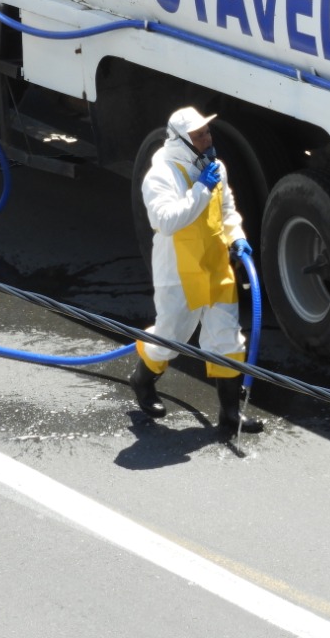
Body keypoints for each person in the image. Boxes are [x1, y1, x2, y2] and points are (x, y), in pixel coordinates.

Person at [131, 106, 263, 439]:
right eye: (199, 135)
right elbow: (165, 220)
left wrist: (238, 238)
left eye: (207, 132)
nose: (207, 138)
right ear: (180, 140)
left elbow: (227, 210)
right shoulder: (160, 175)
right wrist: (201, 189)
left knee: (227, 338)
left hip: (216, 266)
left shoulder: (215, 167)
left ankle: (230, 416)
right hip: (178, 271)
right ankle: (142, 380)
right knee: (170, 337)